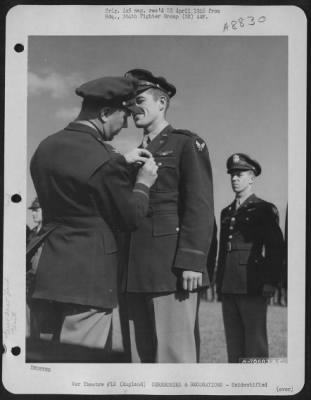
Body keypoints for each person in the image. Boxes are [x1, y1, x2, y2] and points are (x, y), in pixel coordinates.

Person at [28, 76, 158, 352]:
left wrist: (119, 163)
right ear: (104, 113)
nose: (125, 125)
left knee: (45, 361)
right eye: (123, 116)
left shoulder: (46, 147)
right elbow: (130, 218)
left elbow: (80, 188)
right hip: (89, 280)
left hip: (49, 272)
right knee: (78, 367)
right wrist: (143, 183)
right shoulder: (103, 159)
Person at [121, 69, 214, 363]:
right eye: (130, 102)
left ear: (162, 103)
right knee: (140, 362)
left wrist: (191, 261)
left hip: (171, 272)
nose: (133, 108)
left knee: (175, 360)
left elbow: (199, 205)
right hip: (134, 271)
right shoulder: (133, 153)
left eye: (140, 99)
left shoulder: (186, 143)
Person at [216, 153, 284, 363]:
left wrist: (271, 281)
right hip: (229, 285)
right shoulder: (226, 211)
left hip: (252, 283)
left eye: (240, 174)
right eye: (232, 175)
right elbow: (222, 250)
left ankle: (257, 386)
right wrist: (219, 283)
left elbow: (275, 248)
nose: (234, 178)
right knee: (234, 346)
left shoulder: (264, 208)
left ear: (251, 177)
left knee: (254, 345)